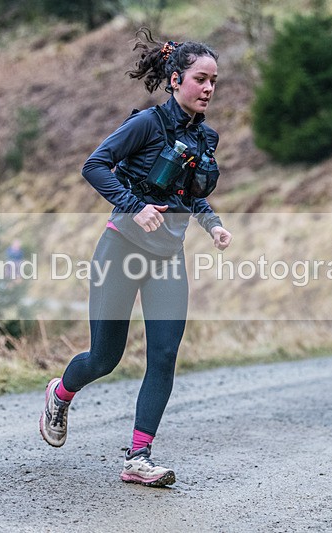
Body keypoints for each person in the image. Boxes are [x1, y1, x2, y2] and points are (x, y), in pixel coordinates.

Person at [39, 30, 232, 488]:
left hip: (168, 257)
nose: (208, 89)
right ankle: (61, 394)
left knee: (163, 356)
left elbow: (187, 194)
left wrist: (212, 223)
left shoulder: (207, 137)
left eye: (214, 82)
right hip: (121, 250)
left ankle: (138, 457)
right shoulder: (145, 124)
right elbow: (94, 165)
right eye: (200, 79)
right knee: (105, 357)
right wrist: (134, 205)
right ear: (175, 79)